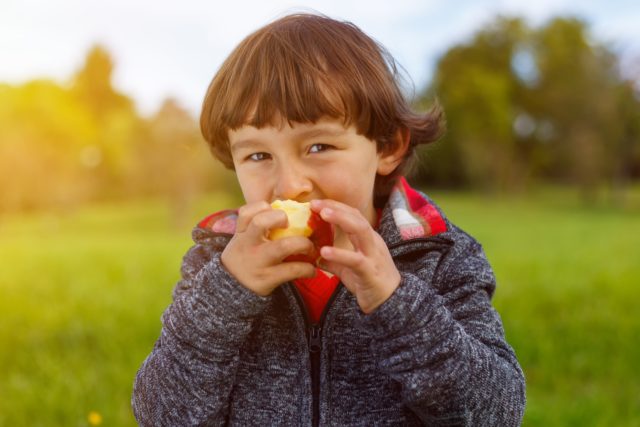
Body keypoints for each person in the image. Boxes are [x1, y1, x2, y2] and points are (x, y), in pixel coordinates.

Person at [132, 12, 526, 426]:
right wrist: (227, 293)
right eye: (258, 156)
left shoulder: (437, 256)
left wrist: (397, 304)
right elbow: (160, 414)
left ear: (387, 147)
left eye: (318, 146)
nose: (290, 185)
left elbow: (497, 413)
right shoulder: (216, 261)